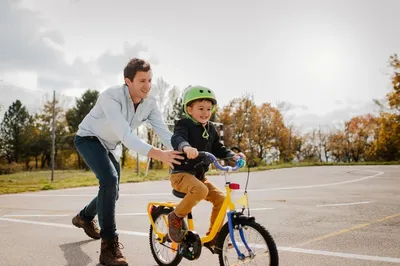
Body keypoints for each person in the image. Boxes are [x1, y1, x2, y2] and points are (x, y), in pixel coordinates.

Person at [72, 58, 183, 266]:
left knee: (112, 191)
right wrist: (160, 155)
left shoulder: (150, 103)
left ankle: (84, 217)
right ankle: (109, 248)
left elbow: (164, 133)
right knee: (109, 180)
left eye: (150, 80)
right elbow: (126, 135)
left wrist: (183, 148)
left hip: (111, 145)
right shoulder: (110, 97)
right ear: (127, 81)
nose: (147, 85)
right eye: (142, 80)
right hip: (88, 138)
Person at [167, 85, 246, 249]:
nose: (205, 112)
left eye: (209, 109)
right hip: (181, 174)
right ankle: (175, 217)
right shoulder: (183, 124)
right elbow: (178, 138)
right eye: (200, 108)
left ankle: (214, 237)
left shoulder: (211, 128)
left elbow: (218, 148)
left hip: (199, 177)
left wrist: (233, 156)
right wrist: (185, 147)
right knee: (201, 190)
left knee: (221, 199)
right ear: (189, 109)